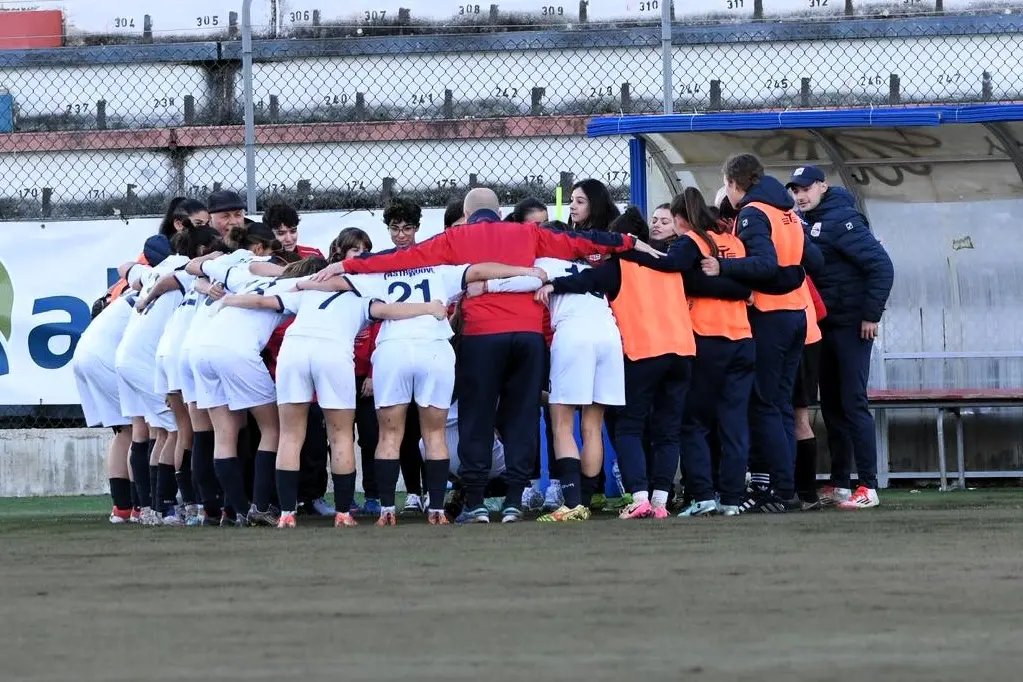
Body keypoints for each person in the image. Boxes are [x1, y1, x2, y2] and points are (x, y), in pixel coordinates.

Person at [314, 187, 650, 524]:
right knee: (521, 418)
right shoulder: (528, 232)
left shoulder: (453, 238)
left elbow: (400, 259)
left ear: (468, 215)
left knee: (477, 418)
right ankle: (515, 501)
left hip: (482, 335)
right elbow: (583, 242)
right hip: (529, 335)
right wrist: (628, 241)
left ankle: (475, 502)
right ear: (500, 213)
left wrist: (345, 264)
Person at [309, 260, 546, 527]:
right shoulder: (440, 271)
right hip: (434, 349)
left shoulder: (380, 272)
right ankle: (436, 510)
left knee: (389, 435)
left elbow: (332, 283)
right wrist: (525, 270)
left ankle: (387, 509)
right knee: (434, 433)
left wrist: (300, 279)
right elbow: (480, 271)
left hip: (393, 349)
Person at [220, 260, 447, 529]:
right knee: (340, 435)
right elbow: (391, 311)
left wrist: (228, 300)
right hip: (333, 353)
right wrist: (430, 308)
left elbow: (263, 302)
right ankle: (342, 513)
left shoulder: (309, 290)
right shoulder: (362, 296)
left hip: (294, 352)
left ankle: (286, 514)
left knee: (290, 435)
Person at [537, 206, 695, 520]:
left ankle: (638, 497)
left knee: (629, 428)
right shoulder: (670, 263)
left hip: (644, 350)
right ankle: (661, 501)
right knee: (667, 431)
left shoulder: (622, 265)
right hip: (682, 351)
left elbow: (588, 279)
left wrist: (555, 285)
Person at [703, 154, 824, 513]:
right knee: (783, 406)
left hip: (771, 316)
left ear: (733, 183)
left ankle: (781, 491)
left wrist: (721, 266)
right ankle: (786, 490)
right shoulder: (786, 211)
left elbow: (764, 264)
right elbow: (813, 261)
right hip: (796, 315)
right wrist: (792, 274)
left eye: (727, 184)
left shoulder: (754, 212)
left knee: (767, 406)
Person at [788, 165, 894, 510]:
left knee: (852, 402)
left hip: (852, 325)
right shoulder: (809, 220)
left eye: (805, 188)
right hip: (826, 326)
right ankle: (841, 483)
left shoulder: (842, 219)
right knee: (832, 405)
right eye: (795, 190)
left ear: (822, 186)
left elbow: (881, 266)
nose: (800, 196)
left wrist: (870, 315)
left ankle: (869, 485)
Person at [664, 188, 755, 517]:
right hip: (743, 338)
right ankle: (732, 497)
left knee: (694, 422)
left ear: (680, 219)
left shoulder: (691, 241)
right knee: (733, 422)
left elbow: (681, 279)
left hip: (707, 337)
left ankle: (702, 493)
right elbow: (746, 283)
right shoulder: (734, 241)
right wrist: (739, 290)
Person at [262, 202, 332, 517]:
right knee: (280, 433)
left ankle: (314, 495)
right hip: (276, 356)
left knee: (316, 435)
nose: (288, 238)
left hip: (312, 349)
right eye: (281, 232)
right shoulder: (262, 262)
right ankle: (280, 498)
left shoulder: (313, 256)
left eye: (292, 231)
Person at [73, 262, 150, 523]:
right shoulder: (167, 284)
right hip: (108, 356)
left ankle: (122, 508)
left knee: (123, 430)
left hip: (87, 350)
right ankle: (140, 505)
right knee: (138, 428)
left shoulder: (130, 287)